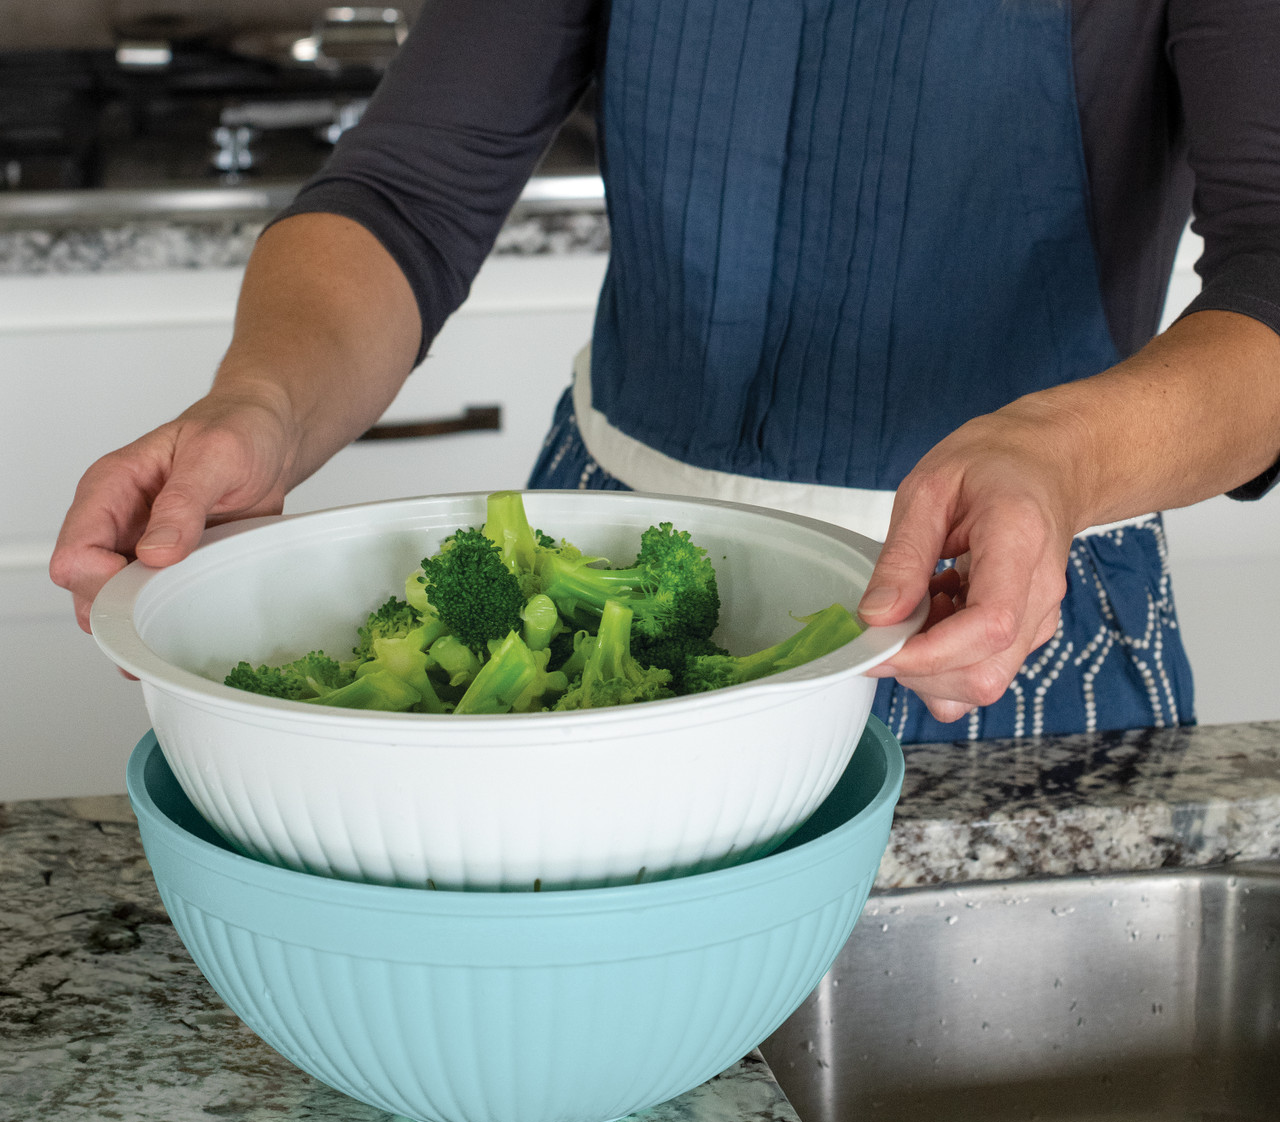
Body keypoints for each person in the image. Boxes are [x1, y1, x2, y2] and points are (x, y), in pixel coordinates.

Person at [50, 0, 1280, 743]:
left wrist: (1053, 457)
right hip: (610, 574)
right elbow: (407, 191)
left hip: (997, 613)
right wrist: (258, 403)